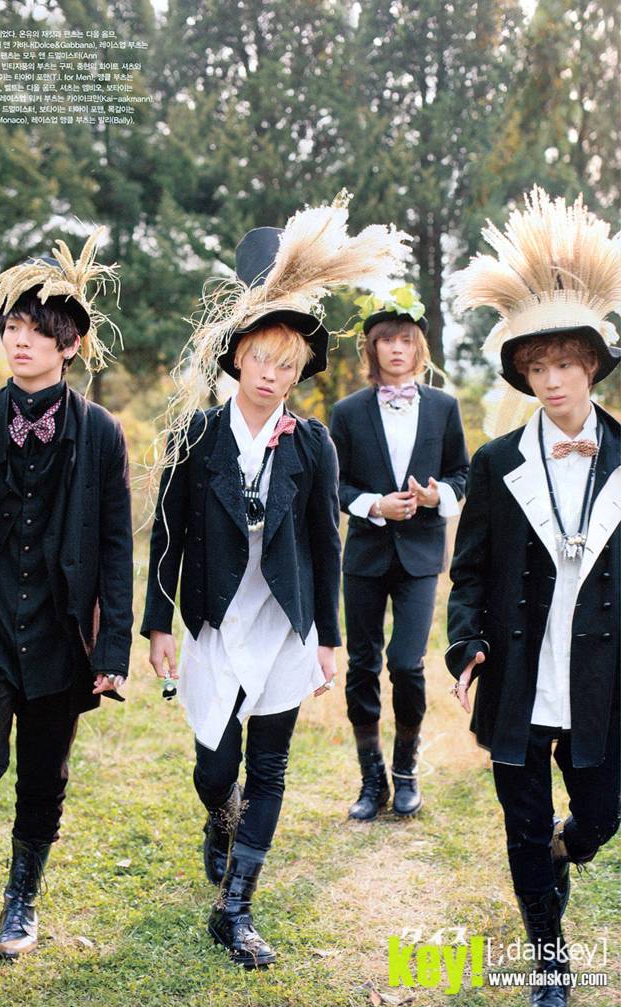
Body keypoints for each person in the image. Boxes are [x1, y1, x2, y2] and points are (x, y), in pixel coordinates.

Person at [142, 196, 410, 968]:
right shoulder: (196, 434)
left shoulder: (313, 444)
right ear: (236, 358)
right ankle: (217, 817)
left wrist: (328, 637)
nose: (273, 374)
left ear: (299, 372)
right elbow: (167, 532)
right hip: (216, 618)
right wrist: (158, 623)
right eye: (262, 358)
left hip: (284, 619)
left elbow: (327, 544)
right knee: (215, 766)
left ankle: (236, 908)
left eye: (288, 365)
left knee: (270, 766)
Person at [0, 232, 133, 983]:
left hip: (58, 634)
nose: (19, 341)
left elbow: (116, 547)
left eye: (37, 332)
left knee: (44, 775)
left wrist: (113, 650)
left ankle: (22, 900)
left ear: (68, 346)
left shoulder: (100, 433)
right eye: (11, 327)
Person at [448, 187, 621, 1005]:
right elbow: (469, 570)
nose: (551, 382)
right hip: (520, 673)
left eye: (564, 365)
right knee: (522, 824)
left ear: (591, 367)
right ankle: (549, 960)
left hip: (604, 680)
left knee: (600, 816)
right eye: (537, 368)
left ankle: (568, 849)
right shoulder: (495, 464)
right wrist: (466, 641)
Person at [330, 289, 468, 819]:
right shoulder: (347, 412)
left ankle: (407, 772)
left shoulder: (443, 407)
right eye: (386, 340)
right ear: (372, 348)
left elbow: (462, 472)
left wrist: (437, 496)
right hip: (364, 557)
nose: (395, 348)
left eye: (405, 340)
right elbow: (335, 485)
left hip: (421, 557)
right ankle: (372, 781)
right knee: (361, 665)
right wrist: (373, 505)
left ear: (418, 348)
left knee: (406, 663)